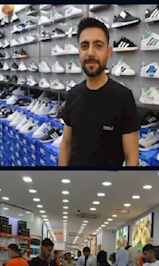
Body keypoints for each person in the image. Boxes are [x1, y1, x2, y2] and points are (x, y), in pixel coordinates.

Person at [59, 17, 139, 166]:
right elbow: (66, 144)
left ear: (108, 52)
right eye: (84, 46)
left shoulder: (123, 97)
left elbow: (132, 158)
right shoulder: (72, 95)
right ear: (79, 51)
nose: (90, 53)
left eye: (98, 45)